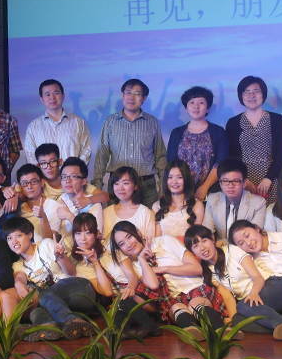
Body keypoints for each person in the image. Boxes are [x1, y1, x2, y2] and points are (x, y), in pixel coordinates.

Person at [3, 216, 96, 341]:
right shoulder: (18, 265)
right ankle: (50, 328)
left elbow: (72, 272)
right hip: (65, 306)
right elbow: (19, 276)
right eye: (9, 238)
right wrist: (19, 284)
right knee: (36, 312)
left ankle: (72, 321)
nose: (14, 241)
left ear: (29, 234)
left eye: (18, 236)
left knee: (44, 295)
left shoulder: (45, 244)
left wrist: (61, 257)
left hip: (81, 289)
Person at [92, 79, 167, 207]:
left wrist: (163, 187)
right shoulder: (110, 122)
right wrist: (97, 187)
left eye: (137, 93)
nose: (132, 97)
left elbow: (160, 156)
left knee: (149, 218)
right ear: (122, 95)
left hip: (146, 186)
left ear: (144, 98)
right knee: (115, 219)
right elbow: (101, 155)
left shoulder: (152, 122)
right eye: (128, 92)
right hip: (118, 185)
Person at [225, 77, 282, 205]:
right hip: (244, 182)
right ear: (241, 96)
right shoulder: (233, 123)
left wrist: (269, 178)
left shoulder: (277, 120)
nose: (251, 96)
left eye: (256, 91)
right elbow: (232, 156)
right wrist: (243, 178)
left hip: (272, 180)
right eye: (246, 92)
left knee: (272, 214)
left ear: (263, 94)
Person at [167, 86, 229, 202]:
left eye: (201, 102)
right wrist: (184, 188)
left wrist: (205, 187)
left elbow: (221, 163)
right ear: (186, 108)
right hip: (182, 192)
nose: (196, 106)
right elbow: (172, 163)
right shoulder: (176, 133)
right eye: (191, 102)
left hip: (211, 192)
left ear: (208, 108)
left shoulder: (218, 132)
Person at [108, 222, 166, 338]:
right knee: (121, 300)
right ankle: (121, 331)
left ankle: (148, 325)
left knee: (122, 299)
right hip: (150, 300)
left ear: (137, 232)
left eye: (129, 236)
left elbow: (154, 285)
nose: (129, 244)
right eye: (122, 244)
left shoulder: (161, 243)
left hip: (163, 301)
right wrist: (141, 259)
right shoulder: (134, 264)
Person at [24, 80, 91, 165]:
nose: (52, 97)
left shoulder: (78, 122)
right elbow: (30, 155)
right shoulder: (34, 126)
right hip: (44, 173)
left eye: (56, 93)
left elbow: (86, 150)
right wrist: (42, 171)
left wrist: (75, 170)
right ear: (41, 99)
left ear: (63, 96)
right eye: (47, 94)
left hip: (72, 173)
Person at [201, 158, 266, 246]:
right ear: (220, 183)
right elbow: (207, 231)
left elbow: (253, 235)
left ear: (244, 183)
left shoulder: (259, 203)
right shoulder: (212, 199)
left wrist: (222, 243)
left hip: (246, 248)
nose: (230, 186)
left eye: (235, 181)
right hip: (219, 249)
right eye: (225, 181)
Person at [47, 158, 105, 240]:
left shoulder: (93, 203)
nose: (68, 180)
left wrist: (69, 216)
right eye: (64, 177)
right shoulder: (60, 199)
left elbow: (96, 236)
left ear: (83, 181)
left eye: (73, 176)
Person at [102, 166, 156, 247]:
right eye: (116, 183)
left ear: (135, 186)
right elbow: (102, 244)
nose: (120, 188)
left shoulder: (146, 213)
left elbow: (150, 245)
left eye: (125, 183)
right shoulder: (105, 212)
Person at [153, 160, 205, 240]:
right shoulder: (157, 206)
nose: (174, 181)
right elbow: (157, 238)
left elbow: (196, 237)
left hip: (187, 246)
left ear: (186, 179)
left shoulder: (196, 205)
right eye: (170, 177)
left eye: (179, 177)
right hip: (163, 247)